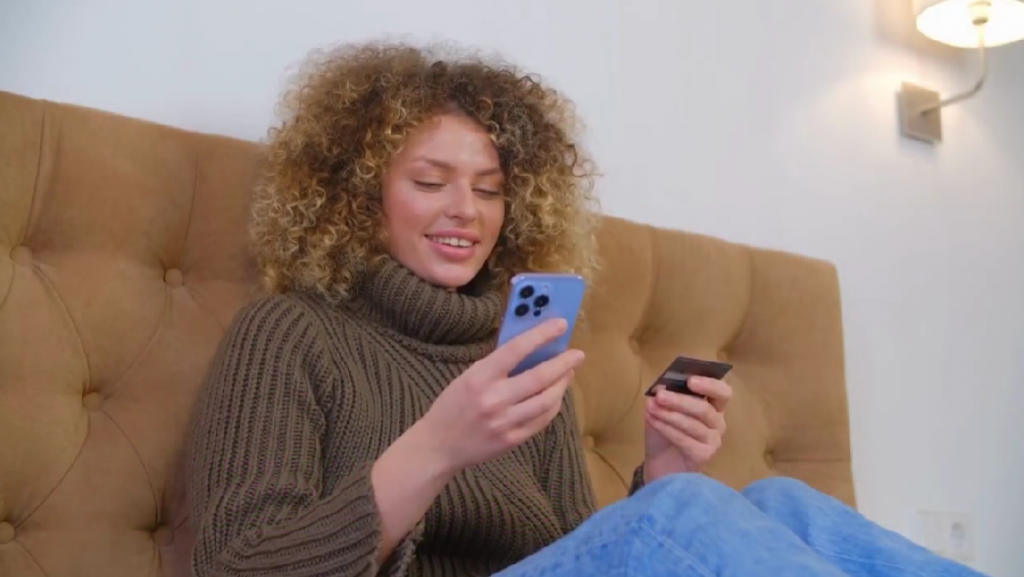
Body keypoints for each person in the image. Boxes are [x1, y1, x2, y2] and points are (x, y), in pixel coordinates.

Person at [184, 41, 987, 577]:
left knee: (772, 499)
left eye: (491, 189)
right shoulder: (291, 332)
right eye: (430, 181)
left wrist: (665, 476)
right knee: (677, 512)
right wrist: (435, 447)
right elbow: (237, 564)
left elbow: (578, 552)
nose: (465, 209)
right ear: (362, 195)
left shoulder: (528, 356)